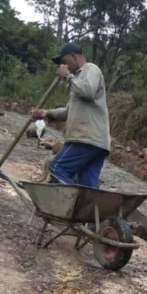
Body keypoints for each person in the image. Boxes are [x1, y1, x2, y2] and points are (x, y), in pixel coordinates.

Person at [30, 43, 110, 189]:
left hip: (86, 138)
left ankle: (70, 202)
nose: (62, 65)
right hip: (96, 142)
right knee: (88, 186)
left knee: (56, 168)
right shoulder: (77, 81)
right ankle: (86, 210)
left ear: (74, 56)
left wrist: (68, 76)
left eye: (64, 61)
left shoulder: (91, 69)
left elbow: (88, 91)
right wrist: (46, 113)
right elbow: (68, 111)